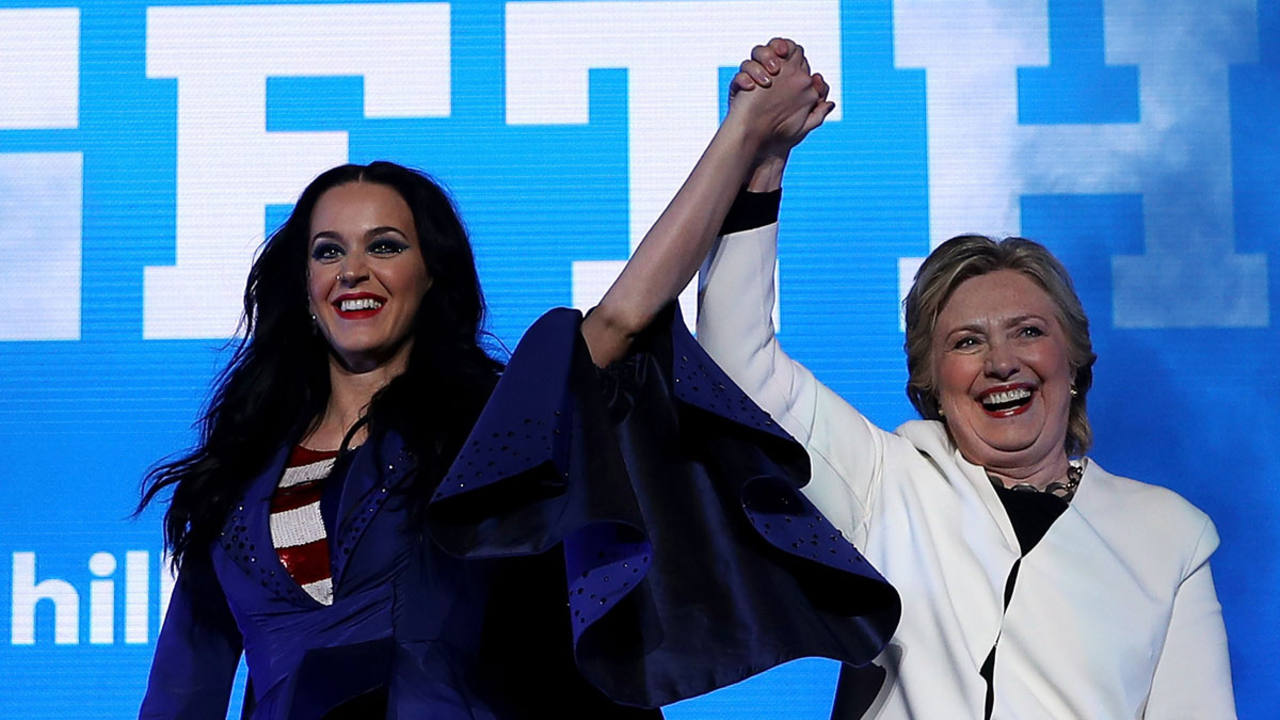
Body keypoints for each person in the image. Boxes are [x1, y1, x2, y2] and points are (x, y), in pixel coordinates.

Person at [137, 41, 899, 719]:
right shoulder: (230, 483)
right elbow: (181, 691)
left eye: (386, 245)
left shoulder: (487, 427)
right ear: (304, 287)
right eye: (328, 251)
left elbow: (623, 316)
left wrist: (745, 139)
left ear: (431, 276)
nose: (354, 270)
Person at [689, 39, 1237, 719]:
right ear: (930, 381)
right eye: (967, 342)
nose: (1001, 362)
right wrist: (762, 160)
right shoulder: (886, 483)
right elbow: (736, 365)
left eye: (1028, 332)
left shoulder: (1169, 534)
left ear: (1074, 361)